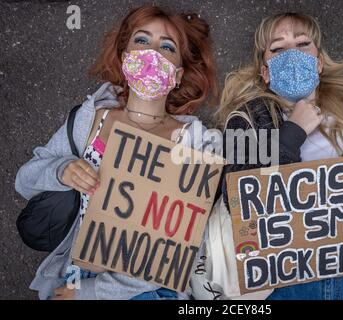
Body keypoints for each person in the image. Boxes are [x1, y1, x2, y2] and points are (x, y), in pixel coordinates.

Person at [214, 12, 343, 300]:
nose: (292, 54)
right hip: (288, 281)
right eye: (277, 48)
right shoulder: (246, 120)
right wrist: (292, 133)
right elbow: (238, 200)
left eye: (302, 44)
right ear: (265, 72)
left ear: (319, 63)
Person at [15, 5, 218, 300]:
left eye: (167, 46)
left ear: (177, 74)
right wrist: (62, 170)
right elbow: (24, 181)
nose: (153, 52)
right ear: (125, 60)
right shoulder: (91, 118)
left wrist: (93, 292)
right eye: (142, 40)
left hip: (147, 289)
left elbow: (183, 248)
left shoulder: (194, 142)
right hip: (74, 273)